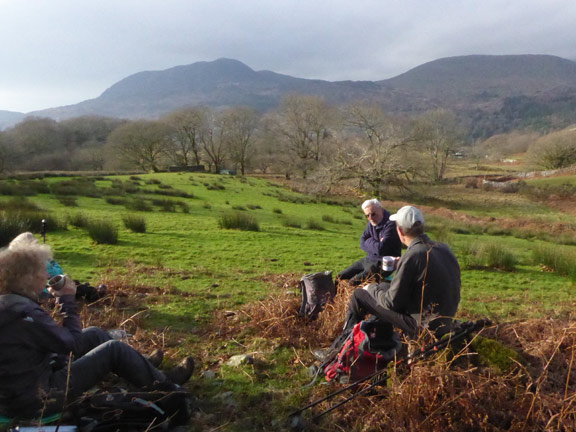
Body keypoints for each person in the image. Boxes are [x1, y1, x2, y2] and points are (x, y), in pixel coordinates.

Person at [0, 241, 194, 419]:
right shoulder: (25, 313)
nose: (47, 275)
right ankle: (166, 388)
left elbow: (35, 347)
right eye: (42, 270)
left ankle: (143, 367)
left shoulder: (9, 304)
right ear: (27, 278)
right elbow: (73, 345)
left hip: (15, 395)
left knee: (93, 334)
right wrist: (67, 300)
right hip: (39, 399)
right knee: (113, 349)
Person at [343, 205, 461, 338]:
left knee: (360, 295)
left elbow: (391, 302)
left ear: (399, 230)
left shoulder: (412, 255)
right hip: (444, 321)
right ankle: (376, 338)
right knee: (383, 286)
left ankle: (340, 348)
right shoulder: (444, 248)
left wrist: (370, 288)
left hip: (424, 327)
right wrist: (400, 267)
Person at [8, 232, 107, 303]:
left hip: (40, 292)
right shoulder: (37, 263)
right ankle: (94, 294)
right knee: (75, 287)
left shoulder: (13, 266)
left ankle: (89, 291)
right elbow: (56, 274)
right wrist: (52, 262)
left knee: (75, 284)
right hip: (46, 293)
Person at [337, 199, 402, 285]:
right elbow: (362, 242)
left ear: (381, 209)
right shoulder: (372, 223)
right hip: (369, 259)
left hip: (383, 264)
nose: (370, 218)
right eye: (367, 216)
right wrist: (375, 243)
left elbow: (380, 249)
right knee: (340, 277)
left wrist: (369, 241)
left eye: (373, 214)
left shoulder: (391, 224)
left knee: (352, 283)